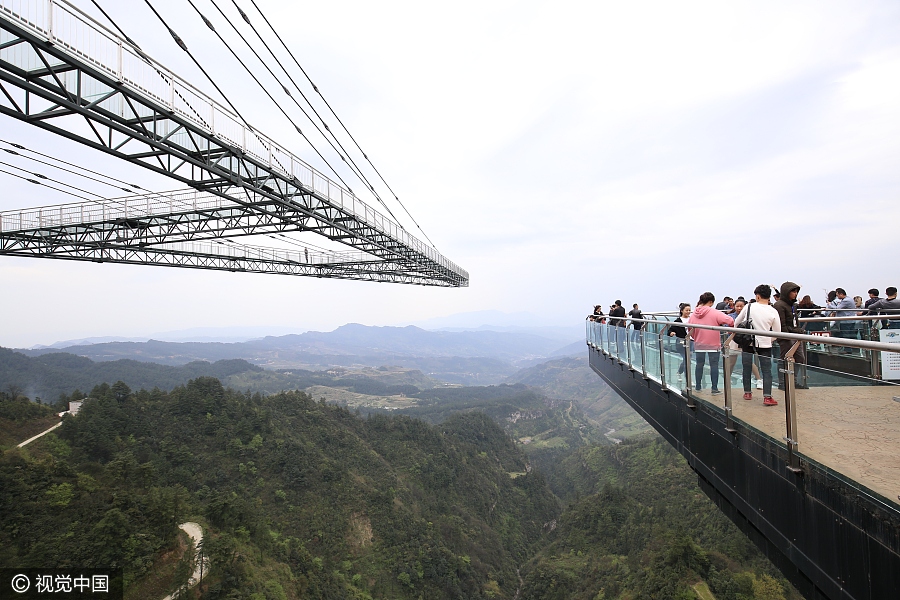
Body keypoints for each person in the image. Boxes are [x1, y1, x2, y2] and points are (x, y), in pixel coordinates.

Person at [733, 284, 782, 405]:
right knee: (766, 370)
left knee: (747, 367)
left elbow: (737, 322)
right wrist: (768, 339)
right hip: (765, 344)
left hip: (747, 342)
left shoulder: (749, 306)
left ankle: (747, 392)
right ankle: (767, 397)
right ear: (769, 297)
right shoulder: (773, 311)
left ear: (757, 296)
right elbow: (777, 332)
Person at [687, 292, 733, 394]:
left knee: (699, 364)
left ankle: (698, 387)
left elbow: (689, 328)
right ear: (711, 302)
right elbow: (730, 320)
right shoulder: (714, 312)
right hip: (713, 343)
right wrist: (729, 330)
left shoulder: (694, 313)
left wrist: (696, 337)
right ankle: (714, 388)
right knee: (714, 365)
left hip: (699, 343)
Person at [774, 282, 808, 389]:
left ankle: (793, 380)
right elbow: (782, 324)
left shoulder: (792, 305)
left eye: (796, 291)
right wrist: (791, 333)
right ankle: (782, 382)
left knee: (800, 358)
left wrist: (797, 331)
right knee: (784, 358)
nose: (795, 293)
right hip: (786, 336)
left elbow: (794, 321)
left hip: (795, 335)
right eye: (793, 291)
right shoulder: (779, 305)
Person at [829, 288, 858, 353]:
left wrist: (829, 305)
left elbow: (837, 308)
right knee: (851, 335)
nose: (837, 297)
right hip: (851, 320)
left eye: (838, 295)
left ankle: (847, 349)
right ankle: (854, 349)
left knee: (846, 335)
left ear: (841, 294)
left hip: (846, 321)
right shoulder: (849, 299)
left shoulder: (846, 301)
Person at [668, 304, 691, 380]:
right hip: (681, 343)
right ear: (682, 311)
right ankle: (688, 379)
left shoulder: (692, 319)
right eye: (686, 310)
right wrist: (671, 333)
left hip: (692, 342)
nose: (688, 312)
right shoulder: (678, 321)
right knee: (686, 359)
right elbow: (670, 330)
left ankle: (679, 372)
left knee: (687, 359)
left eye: (689, 310)